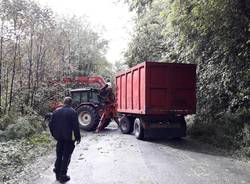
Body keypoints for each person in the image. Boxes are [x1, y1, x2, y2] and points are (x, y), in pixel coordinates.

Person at [49, 97, 81, 183]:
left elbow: (50, 124)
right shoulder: (72, 112)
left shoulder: (56, 111)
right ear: (71, 103)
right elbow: (75, 127)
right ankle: (63, 175)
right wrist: (77, 137)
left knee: (59, 155)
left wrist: (54, 135)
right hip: (69, 139)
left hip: (59, 138)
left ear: (63, 102)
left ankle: (57, 173)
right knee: (66, 156)